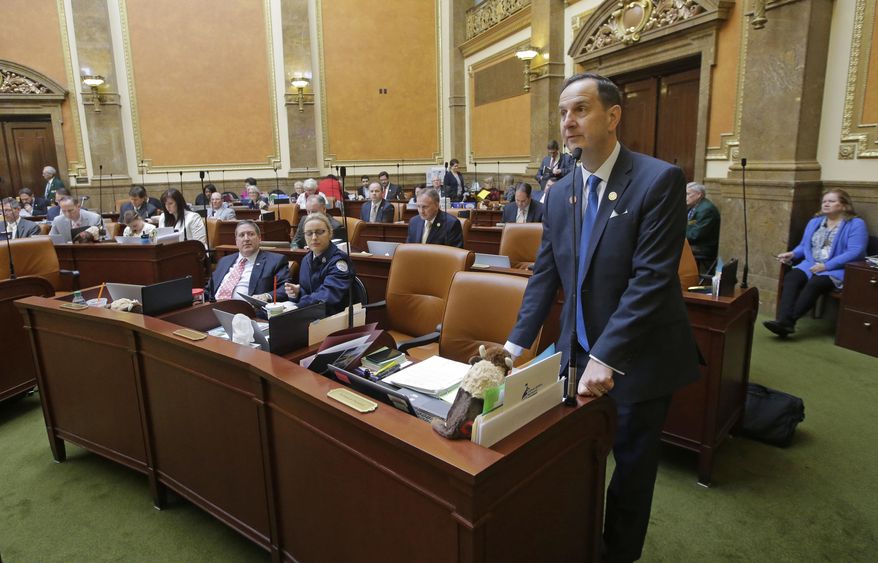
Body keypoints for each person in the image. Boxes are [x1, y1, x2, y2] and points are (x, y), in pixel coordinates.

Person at [504, 72, 700, 563]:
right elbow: (545, 275)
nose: (568, 121)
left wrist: (608, 356)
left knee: (631, 467)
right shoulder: (562, 190)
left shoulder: (658, 180)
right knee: (571, 454)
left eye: (581, 110)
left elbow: (652, 279)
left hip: (641, 354)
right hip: (577, 348)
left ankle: (619, 554)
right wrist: (513, 346)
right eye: (564, 112)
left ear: (612, 117)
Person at [765, 189, 868, 337]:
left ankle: (788, 322)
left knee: (816, 283)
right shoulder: (815, 222)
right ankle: (783, 321)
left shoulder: (856, 224)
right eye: (824, 201)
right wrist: (793, 254)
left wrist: (827, 266)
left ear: (845, 205)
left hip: (838, 268)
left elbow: (855, 252)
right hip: (811, 263)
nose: (826, 204)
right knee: (792, 278)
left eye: (831, 201)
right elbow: (804, 246)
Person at [284, 212, 353, 316]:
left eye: (320, 232)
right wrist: (298, 292)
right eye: (309, 233)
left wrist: (298, 307)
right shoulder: (306, 259)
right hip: (311, 315)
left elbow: (327, 295)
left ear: (330, 233)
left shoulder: (339, 261)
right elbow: (310, 291)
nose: (314, 237)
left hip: (334, 318)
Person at [207, 220, 289, 303]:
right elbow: (209, 289)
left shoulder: (275, 261)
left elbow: (286, 289)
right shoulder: (224, 261)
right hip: (214, 308)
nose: (246, 239)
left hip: (246, 311)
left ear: (259, 238)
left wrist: (266, 296)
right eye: (242, 235)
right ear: (236, 241)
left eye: (251, 234)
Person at [685, 182, 721, 273]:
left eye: (688, 194)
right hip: (694, 243)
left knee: (674, 248)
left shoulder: (706, 210)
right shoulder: (692, 206)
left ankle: (685, 278)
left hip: (704, 247)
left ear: (698, 194)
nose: (685, 197)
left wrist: (675, 235)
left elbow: (695, 235)